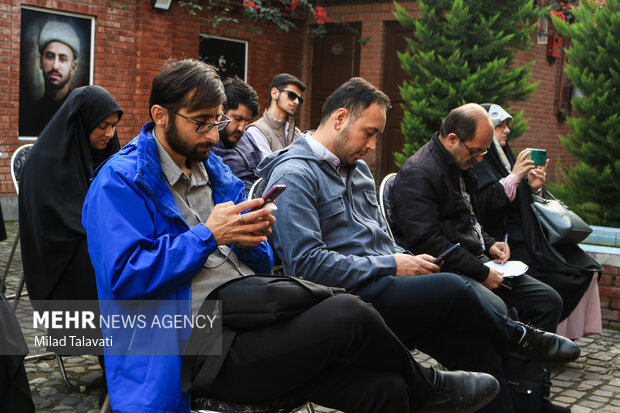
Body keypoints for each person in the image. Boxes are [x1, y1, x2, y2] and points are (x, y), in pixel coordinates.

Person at [82, 59, 500, 413]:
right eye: (202, 123)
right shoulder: (120, 182)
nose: (214, 134)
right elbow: (125, 278)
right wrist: (208, 236)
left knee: (385, 391)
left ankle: (426, 389)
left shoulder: (212, 169)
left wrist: (255, 234)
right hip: (190, 344)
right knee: (349, 313)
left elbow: (259, 259)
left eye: (219, 121)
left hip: (252, 314)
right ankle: (432, 386)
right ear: (160, 116)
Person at [259, 77, 580, 413]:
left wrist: (407, 261)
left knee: (476, 348)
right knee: (451, 288)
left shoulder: (358, 171)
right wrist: (395, 265)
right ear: (340, 119)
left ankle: (525, 405)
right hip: (343, 302)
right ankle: (519, 336)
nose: (372, 145)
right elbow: (306, 265)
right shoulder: (295, 175)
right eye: (369, 132)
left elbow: (382, 240)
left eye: (377, 136)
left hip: (386, 289)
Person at [390, 103, 563, 335]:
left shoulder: (461, 164)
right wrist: (482, 273)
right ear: (452, 139)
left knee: (548, 300)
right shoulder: (419, 173)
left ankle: (526, 368)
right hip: (446, 270)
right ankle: (502, 367)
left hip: (475, 260)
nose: (480, 159)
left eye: (484, 151)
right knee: (498, 309)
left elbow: (470, 220)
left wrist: (491, 244)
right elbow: (427, 241)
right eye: (476, 152)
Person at [472, 103, 603, 337]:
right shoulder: (477, 163)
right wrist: (514, 178)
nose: (507, 131)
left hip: (527, 238)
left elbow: (518, 201)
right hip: (502, 245)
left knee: (586, 265)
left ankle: (562, 335)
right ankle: (545, 337)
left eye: (507, 125)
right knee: (567, 274)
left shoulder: (505, 159)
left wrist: (534, 188)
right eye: (500, 126)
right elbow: (484, 208)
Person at [19, 85, 122, 304]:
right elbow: (50, 225)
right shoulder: (44, 163)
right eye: (103, 126)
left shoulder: (107, 153)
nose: (110, 134)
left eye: (114, 126)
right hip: (62, 261)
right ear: (82, 122)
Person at [19, 20, 81, 137]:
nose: (55, 66)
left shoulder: (80, 112)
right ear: (40, 62)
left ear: (73, 67)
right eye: (50, 56)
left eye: (62, 59)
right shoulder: (28, 112)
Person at [211, 77, 263, 195]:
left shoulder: (248, 137)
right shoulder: (209, 145)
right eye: (238, 119)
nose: (241, 128)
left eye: (247, 121)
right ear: (221, 111)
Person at [246, 73, 305, 157]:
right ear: (274, 93)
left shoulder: (296, 133)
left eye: (299, 99)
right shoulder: (256, 131)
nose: (296, 102)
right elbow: (267, 167)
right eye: (292, 95)